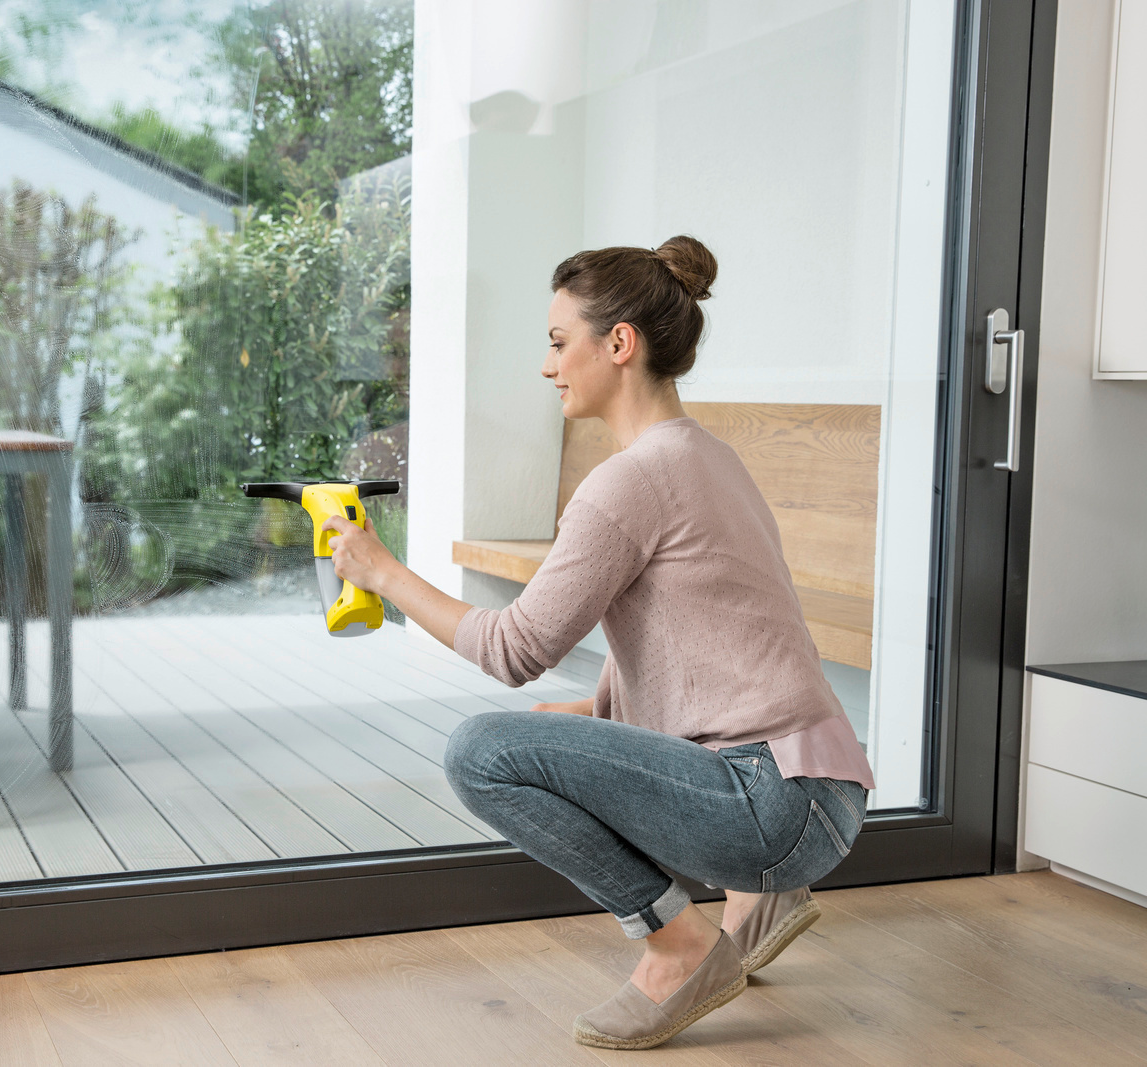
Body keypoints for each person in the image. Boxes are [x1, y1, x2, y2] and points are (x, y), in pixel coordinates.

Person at [320, 235, 876, 1051]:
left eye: (558, 342)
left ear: (619, 343)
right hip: (822, 789)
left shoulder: (630, 480)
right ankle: (761, 897)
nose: (548, 366)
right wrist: (590, 712)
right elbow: (706, 633)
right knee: (551, 729)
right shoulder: (708, 456)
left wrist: (382, 571)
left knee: (481, 751)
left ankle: (680, 945)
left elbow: (513, 649)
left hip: (771, 804)